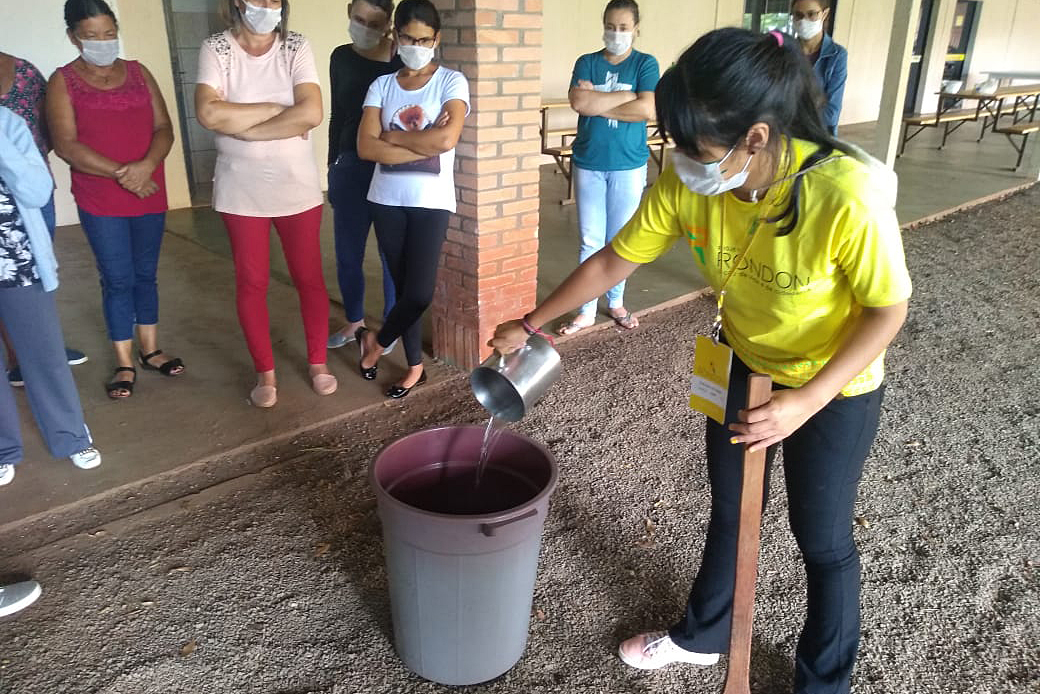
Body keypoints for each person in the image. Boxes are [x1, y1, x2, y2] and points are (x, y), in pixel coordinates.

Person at [490, 28, 911, 694]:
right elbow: (613, 259)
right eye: (675, 143)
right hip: (745, 360)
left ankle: (824, 682)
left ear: (756, 138)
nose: (682, 160)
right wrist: (532, 323)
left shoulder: (844, 193)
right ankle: (704, 634)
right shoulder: (692, 182)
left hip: (835, 384)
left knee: (822, 538)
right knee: (731, 508)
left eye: (695, 147)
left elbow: (887, 312)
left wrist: (805, 402)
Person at [195, 0, 335, 408]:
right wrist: (278, 111)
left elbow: (311, 112)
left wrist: (249, 131)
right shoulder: (216, 49)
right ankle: (266, 374)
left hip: (297, 187)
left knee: (309, 278)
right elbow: (207, 113)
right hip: (241, 191)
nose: (268, 6)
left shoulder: (295, 46)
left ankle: (318, 363)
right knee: (251, 282)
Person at [47, 0, 185, 400]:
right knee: (118, 277)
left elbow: (164, 127)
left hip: (148, 192)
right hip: (102, 198)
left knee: (146, 273)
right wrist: (126, 174)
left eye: (109, 34)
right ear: (74, 37)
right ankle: (124, 360)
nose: (103, 42)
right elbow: (66, 145)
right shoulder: (63, 81)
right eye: (91, 36)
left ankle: (150, 349)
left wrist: (146, 166)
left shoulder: (139, 72)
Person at [355, 0, 469, 399]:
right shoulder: (382, 86)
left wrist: (394, 137)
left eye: (424, 39)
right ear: (396, 37)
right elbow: (367, 148)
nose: (416, 45)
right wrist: (423, 146)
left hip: (432, 201)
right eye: (408, 37)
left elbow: (446, 139)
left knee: (418, 292)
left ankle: (376, 342)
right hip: (385, 199)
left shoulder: (451, 82)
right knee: (404, 287)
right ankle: (415, 367)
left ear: (436, 40)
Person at [0, 106, 101, 489]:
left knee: (43, 354)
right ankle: (3, 448)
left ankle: (70, 435)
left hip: (17, 259)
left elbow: (37, 190)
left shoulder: (8, 123)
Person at [556, 0, 659, 336]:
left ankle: (616, 301)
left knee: (620, 240)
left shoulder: (645, 63)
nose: (616, 34)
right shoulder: (586, 62)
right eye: (611, 27)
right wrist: (625, 97)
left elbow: (647, 110)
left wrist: (598, 103)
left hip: (628, 165)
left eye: (624, 28)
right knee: (590, 239)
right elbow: (578, 102)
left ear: (636, 30)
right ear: (603, 26)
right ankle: (586, 309)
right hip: (589, 162)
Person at [0, 51, 88, 385]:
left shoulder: (23, 72)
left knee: (36, 277)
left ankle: (42, 349)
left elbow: (47, 128)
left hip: (32, 191)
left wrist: (27, 168)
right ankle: (16, 358)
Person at [326, 0, 402, 354]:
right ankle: (354, 319)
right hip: (350, 167)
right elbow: (337, 114)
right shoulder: (340, 57)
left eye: (374, 23)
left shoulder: (401, 59)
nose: (365, 27)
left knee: (390, 253)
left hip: (389, 166)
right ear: (348, 14)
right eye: (359, 19)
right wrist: (332, 165)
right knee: (347, 252)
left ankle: (390, 326)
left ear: (387, 24)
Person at [792, 0, 847, 135]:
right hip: (785, 136)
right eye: (799, 15)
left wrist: (790, 112)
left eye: (811, 14)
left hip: (819, 137)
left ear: (825, 14)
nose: (804, 21)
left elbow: (831, 114)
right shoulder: (784, 51)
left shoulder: (837, 56)